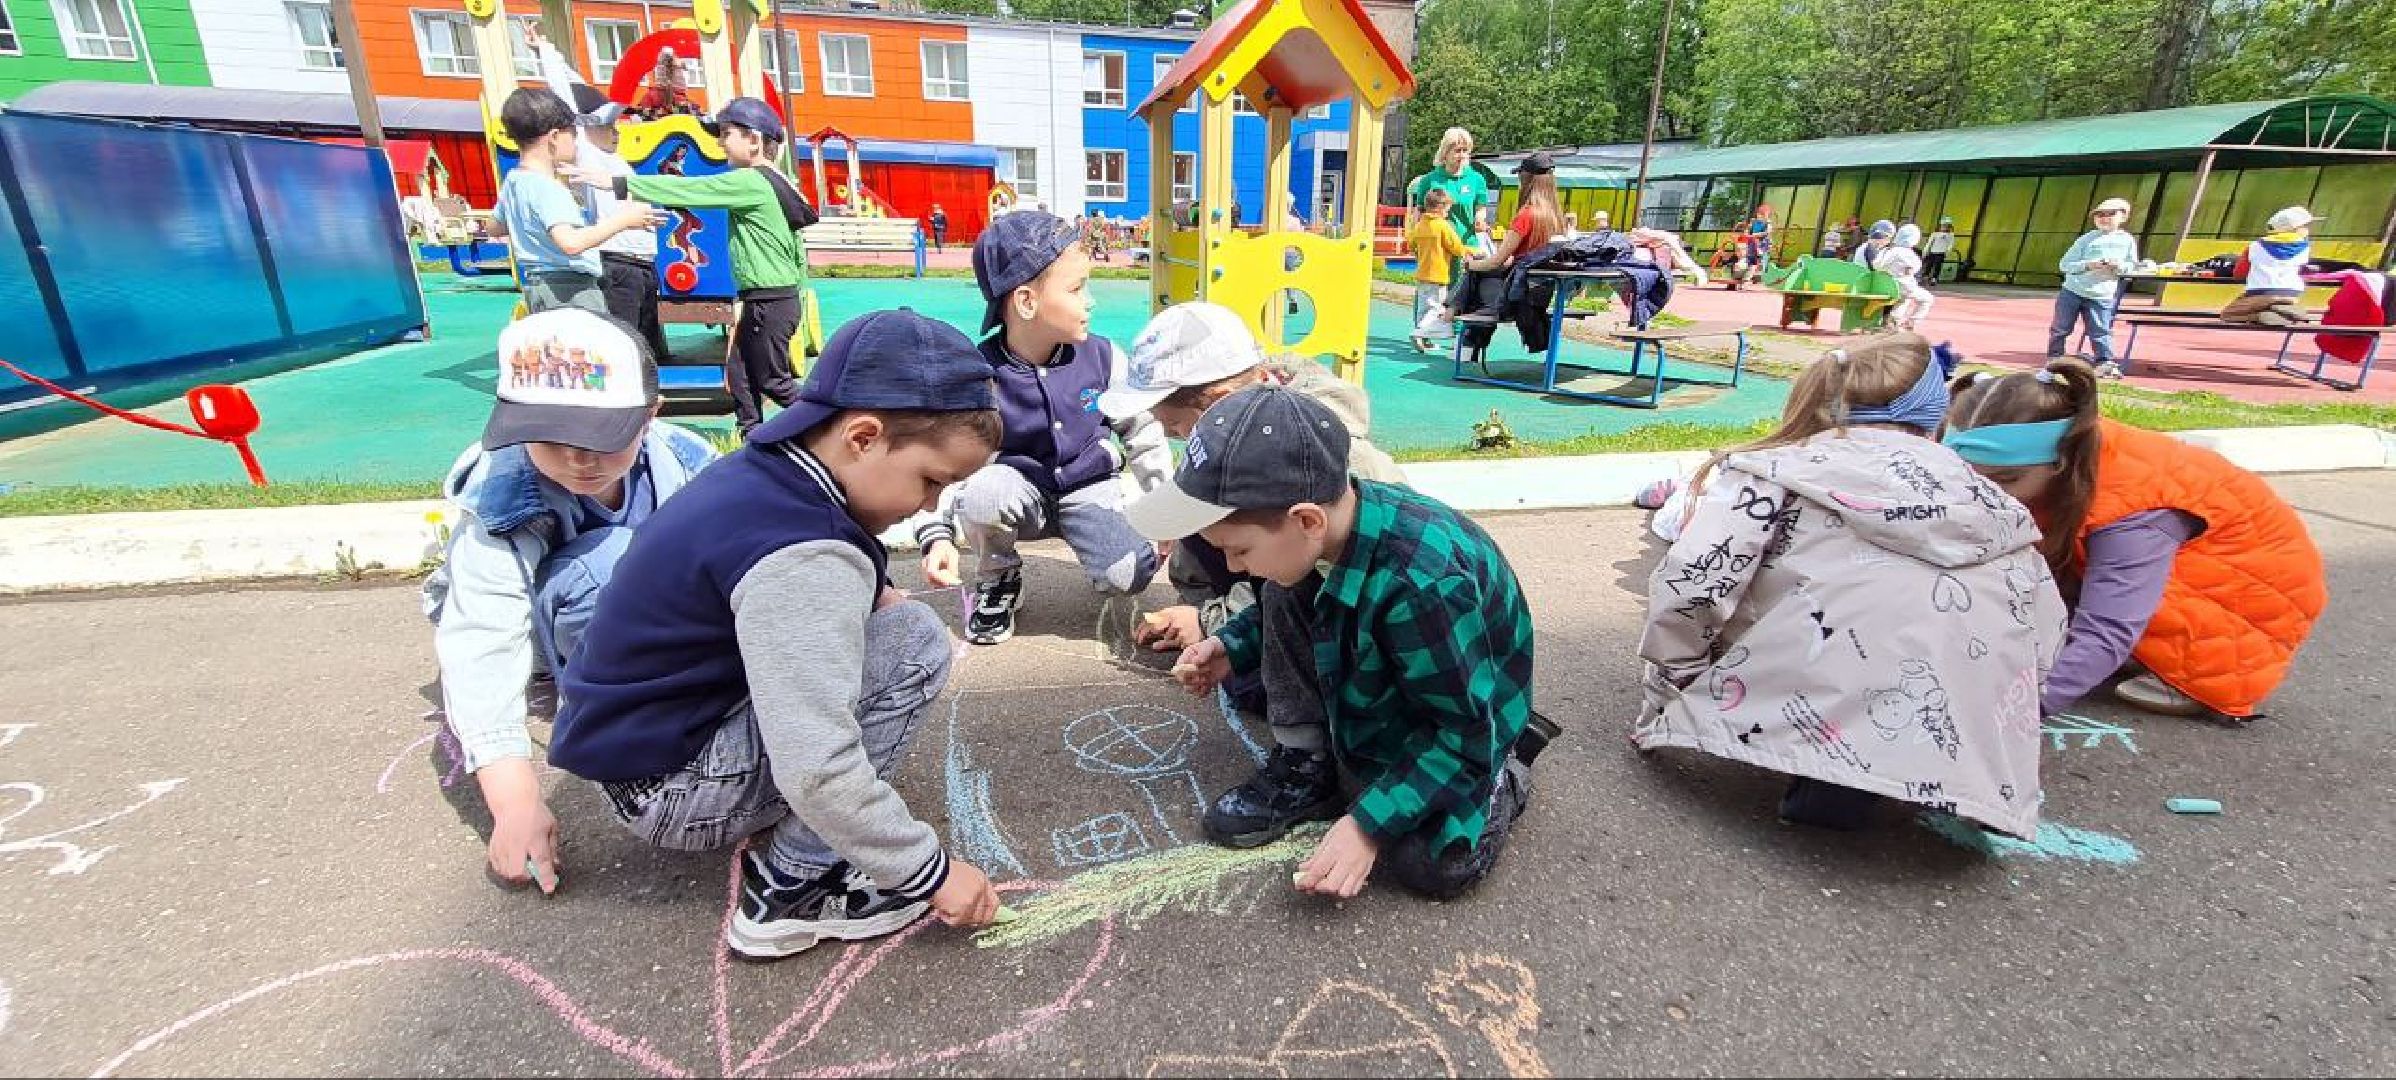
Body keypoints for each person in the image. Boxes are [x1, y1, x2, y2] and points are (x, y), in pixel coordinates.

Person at [549, 309, 1004, 958]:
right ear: (863, 437)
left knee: (886, 620)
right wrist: (928, 873)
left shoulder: (765, 474)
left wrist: (868, 593)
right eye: (931, 480)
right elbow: (819, 768)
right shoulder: (804, 556)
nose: (929, 506)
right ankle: (794, 888)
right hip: (672, 790)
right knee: (914, 645)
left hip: (638, 754)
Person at [1130, 385, 1555, 899]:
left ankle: (1504, 777)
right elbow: (1278, 612)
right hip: (1404, 682)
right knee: (1282, 589)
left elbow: (1462, 733)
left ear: (1307, 519)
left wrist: (1366, 827)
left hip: (1467, 721)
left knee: (1433, 866)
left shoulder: (1423, 586)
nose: (1233, 566)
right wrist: (1230, 646)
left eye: (1239, 550)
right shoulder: (1323, 533)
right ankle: (1312, 763)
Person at [1635, 334, 2065, 836]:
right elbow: (2044, 619)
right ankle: (1952, 771)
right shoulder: (1989, 498)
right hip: (1965, 695)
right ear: (1937, 413)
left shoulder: (1775, 471)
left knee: (1834, 620)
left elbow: (1695, 583)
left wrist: (1677, 682)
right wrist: (2016, 712)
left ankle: (1826, 764)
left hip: (1815, 673)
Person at [424, 308, 717, 893]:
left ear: (650, 416)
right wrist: (515, 804)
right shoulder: (503, 494)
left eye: (601, 439)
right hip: (547, 626)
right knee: (619, 560)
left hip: (633, 613)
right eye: (551, 438)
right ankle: (613, 694)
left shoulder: (685, 461)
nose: (578, 459)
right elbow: (483, 640)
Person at [1942, 361, 2325, 722]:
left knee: (2106, 615)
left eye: (2006, 480)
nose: (1985, 494)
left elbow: (2108, 628)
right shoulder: (2066, 445)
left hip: (2241, 614)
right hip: (2212, 573)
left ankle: (2184, 674)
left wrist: (2015, 712)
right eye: (1970, 478)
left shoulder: (2134, 512)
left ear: (2061, 463)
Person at [1097, 303, 1405, 744]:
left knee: (1258, 685)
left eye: (1179, 428)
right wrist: (1218, 625)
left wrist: (1211, 621)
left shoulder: (1311, 463)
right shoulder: (1234, 433)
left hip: (1349, 597)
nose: (1178, 438)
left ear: (1222, 402)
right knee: (1199, 507)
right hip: (1293, 575)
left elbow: (1306, 583)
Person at [915, 211, 1170, 645]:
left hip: (1089, 488)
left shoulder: (1104, 357)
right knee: (984, 493)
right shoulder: (982, 374)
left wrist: (1164, 507)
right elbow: (942, 458)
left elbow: (1142, 433)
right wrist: (937, 535)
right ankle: (999, 576)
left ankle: (1102, 552)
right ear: (1027, 302)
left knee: (1130, 574)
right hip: (1019, 492)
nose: (1090, 301)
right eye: (1076, 289)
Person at [585, 97, 815, 439]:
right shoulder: (777, 180)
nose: (720, 143)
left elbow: (694, 188)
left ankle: (827, 423)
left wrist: (621, 184)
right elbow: (797, 250)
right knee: (740, 373)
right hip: (770, 298)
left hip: (770, 300)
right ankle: (752, 434)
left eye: (726, 134)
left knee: (772, 380)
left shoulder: (751, 180)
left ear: (754, 140)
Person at [530, 25, 672, 365]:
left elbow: (583, 91)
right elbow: (569, 100)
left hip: (643, 264)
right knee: (624, 341)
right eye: (607, 126)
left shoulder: (615, 159)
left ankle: (647, 387)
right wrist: (546, 53)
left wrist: (556, 58)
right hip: (619, 262)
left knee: (647, 342)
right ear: (585, 129)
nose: (616, 131)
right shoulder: (587, 152)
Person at [491, 87, 661, 316]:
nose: (576, 142)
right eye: (573, 134)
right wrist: (623, 221)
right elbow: (570, 243)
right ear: (554, 137)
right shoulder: (549, 188)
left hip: (537, 285)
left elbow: (495, 226)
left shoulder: (514, 181)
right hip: (569, 288)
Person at [2049, 197, 2140, 379]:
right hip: (2073, 291)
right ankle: (2054, 357)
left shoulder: (2127, 240)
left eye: (2110, 214)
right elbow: (2065, 264)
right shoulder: (2086, 239)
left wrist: (2118, 266)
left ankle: (2104, 363)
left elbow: (2132, 267)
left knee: (2101, 331)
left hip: (2102, 295)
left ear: (2123, 217)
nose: (2104, 218)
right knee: (2061, 327)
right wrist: (2088, 265)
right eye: (2099, 215)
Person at [1406, 127, 1493, 276]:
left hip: (1466, 245)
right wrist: (1415, 239)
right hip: (1436, 248)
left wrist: (1479, 219)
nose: (1462, 155)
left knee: (1462, 289)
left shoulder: (1477, 179)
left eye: (1465, 151)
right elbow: (1419, 212)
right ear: (1445, 153)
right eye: (1457, 151)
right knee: (1435, 288)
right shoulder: (1429, 180)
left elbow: (1480, 207)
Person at [2219, 206, 2321, 327]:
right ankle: (2281, 312)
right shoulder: (2305, 247)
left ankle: (2260, 316)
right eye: (2305, 226)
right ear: (2295, 229)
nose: (2308, 229)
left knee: (2228, 314)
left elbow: (2239, 273)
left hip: (2261, 292)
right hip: (2293, 293)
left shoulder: (2255, 246)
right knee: (2265, 304)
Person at [1463, 152, 1562, 274]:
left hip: (1519, 279)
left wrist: (1468, 265)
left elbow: (1496, 262)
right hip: (1539, 280)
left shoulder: (1526, 215)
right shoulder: (1554, 215)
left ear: (1525, 179)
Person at [1406, 188, 1472, 351]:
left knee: (1423, 307)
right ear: (1440, 208)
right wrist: (1468, 252)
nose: (1448, 213)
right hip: (1438, 275)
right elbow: (1455, 246)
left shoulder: (1420, 225)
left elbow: (1411, 244)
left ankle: (1423, 338)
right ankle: (1420, 331)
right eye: (1447, 209)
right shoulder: (1443, 226)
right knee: (1437, 307)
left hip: (1422, 274)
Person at [1883, 223, 1933, 330]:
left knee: (1904, 298)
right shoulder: (1911, 255)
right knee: (1927, 299)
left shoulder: (1890, 251)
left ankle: (1892, 321)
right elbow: (1915, 269)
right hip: (1905, 287)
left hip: (1887, 285)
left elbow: (1878, 264)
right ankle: (1910, 323)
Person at [1921, 216, 1957, 287]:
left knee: (1937, 266)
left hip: (1941, 253)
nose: (1944, 227)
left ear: (1949, 227)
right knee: (1929, 265)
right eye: (1943, 225)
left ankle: (1934, 279)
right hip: (1932, 252)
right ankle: (1925, 277)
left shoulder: (1951, 235)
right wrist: (1925, 251)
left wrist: (1947, 252)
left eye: (1946, 226)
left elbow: (1950, 244)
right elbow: (1929, 243)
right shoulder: (1935, 234)